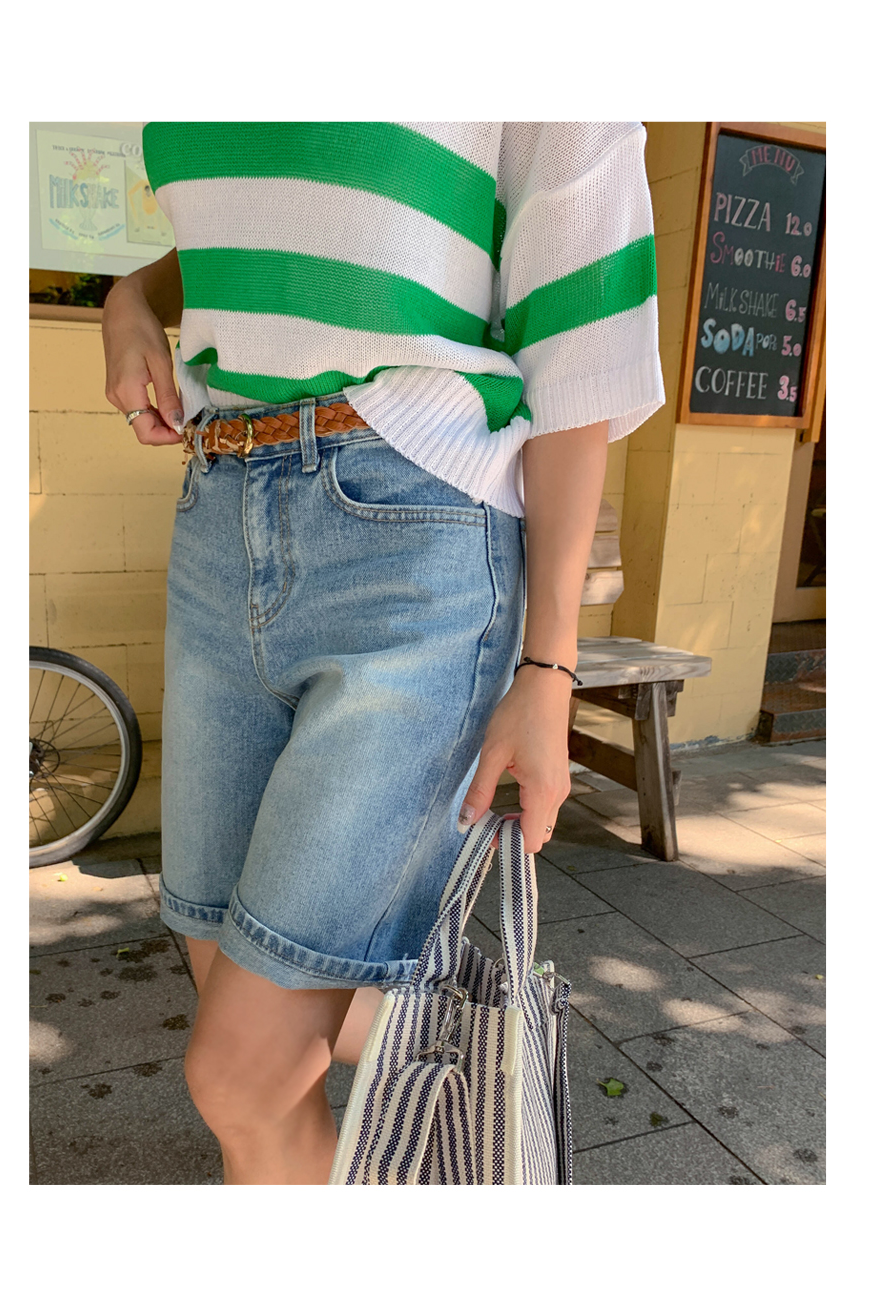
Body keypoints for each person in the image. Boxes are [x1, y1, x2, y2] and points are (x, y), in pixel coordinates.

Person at [101, 121, 664, 1185]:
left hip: (412, 537)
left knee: (240, 1074)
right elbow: (277, 204)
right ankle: (451, 1046)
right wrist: (131, 295)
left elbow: (579, 332)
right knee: (246, 1037)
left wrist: (549, 668)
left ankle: (456, 1048)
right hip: (217, 516)